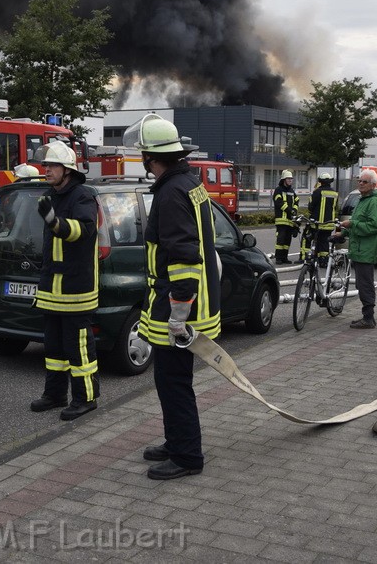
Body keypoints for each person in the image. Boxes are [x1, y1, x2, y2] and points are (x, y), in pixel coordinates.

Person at [123, 114, 221, 480]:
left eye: (143, 157)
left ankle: (186, 456)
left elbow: (182, 257)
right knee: (169, 379)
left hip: (180, 309)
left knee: (174, 381)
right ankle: (175, 440)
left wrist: (178, 317)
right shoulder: (189, 184)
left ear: (152, 158)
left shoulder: (170, 194)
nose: (143, 164)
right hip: (186, 303)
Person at [29, 142, 100, 421]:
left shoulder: (82, 196)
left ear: (67, 170)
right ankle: (55, 394)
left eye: (52, 165)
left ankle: (86, 398)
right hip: (52, 288)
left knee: (78, 346)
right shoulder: (52, 196)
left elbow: (83, 231)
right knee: (54, 346)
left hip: (75, 288)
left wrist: (54, 222)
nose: (46, 169)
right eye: (45, 165)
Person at [334, 169, 377, 329]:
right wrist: (342, 233)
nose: (360, 184)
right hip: (358, 249)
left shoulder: (373, 202)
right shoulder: (362, 200)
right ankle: (367, 316)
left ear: (373, 185)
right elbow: (356, 223)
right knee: (362, 284)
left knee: (365, 284)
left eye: (364, 182)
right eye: (359, 181)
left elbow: (373, 226)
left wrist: (352, 224)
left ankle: (368, 318)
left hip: (366, 250)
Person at [305, 171, 338, 266]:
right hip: (329, 223)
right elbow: (335, 208)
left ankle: (314, 259)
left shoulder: (317, 192)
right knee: (324, 241)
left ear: (321, 182)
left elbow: (310, 206)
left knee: (315, 240)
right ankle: (324, 260)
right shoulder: (335, 194)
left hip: (317, 223)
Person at [272, 169, 299, 264]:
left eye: (291, 179)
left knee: (288, 240)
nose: (290, 181)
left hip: (290, 220)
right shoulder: (278, 190)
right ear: (284, 180)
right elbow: (278, 202)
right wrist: (289, 210)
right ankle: (278, 258)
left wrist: (295, 210)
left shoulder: (292, 191)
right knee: (281, 239)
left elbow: (296, 200)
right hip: (281, 220)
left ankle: (285, 257)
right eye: (288, 179)